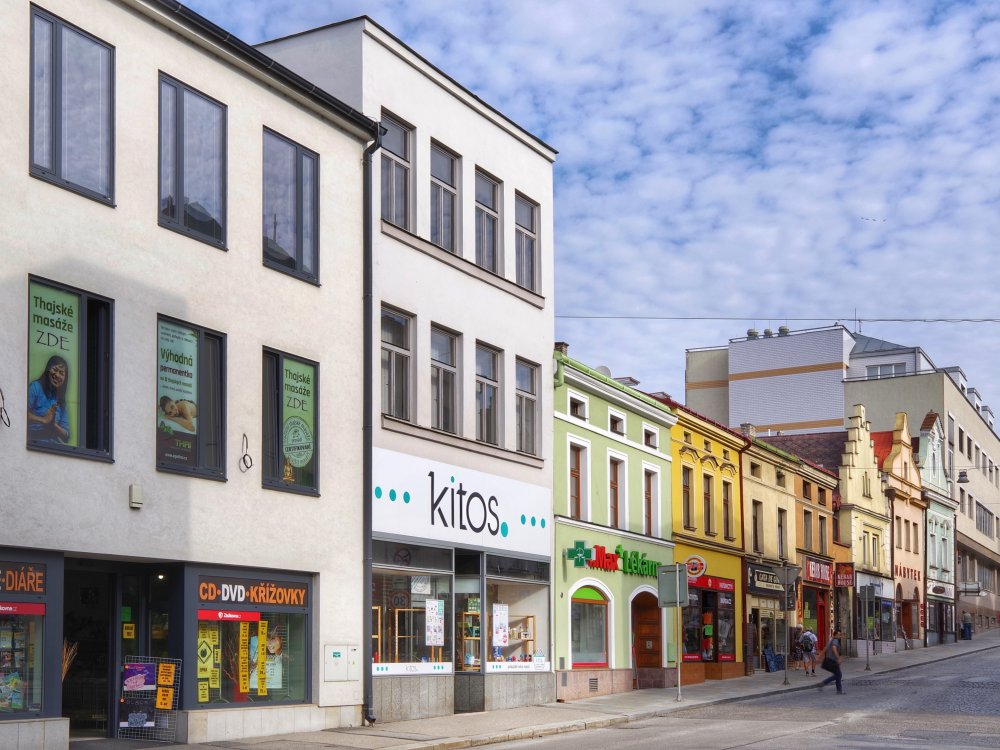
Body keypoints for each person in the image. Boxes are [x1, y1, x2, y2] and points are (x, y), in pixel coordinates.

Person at [27, 355, 70, 443]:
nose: (57, 375)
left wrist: (54, 425)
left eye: (61, 373)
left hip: (53, 445)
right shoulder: (35, 387)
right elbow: (21, 414)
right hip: (35, 442)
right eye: (55, 370)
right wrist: (43, 420)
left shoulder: (60, 400)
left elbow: (66, 436)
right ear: (48, 370)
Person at [818, 629, 845, 694]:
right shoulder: (835, 640)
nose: (840, 636)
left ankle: (824, 684)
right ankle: (824, 683)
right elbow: (834, 648)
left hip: (828, 660)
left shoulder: (831, 640)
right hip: (832, 661)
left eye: (840, 635)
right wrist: (838, 658)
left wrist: (819, 657)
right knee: (838, 675)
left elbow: (825, 649)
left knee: (838, 675)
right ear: (835, 635)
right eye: (839, 635)